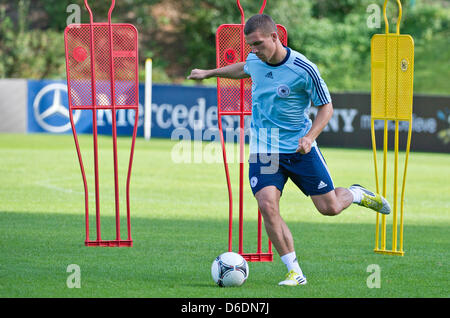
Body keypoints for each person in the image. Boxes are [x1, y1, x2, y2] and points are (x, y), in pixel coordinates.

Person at [187, 14, 391, 286]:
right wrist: (210, 73)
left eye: (258, 44)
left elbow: (326, 108)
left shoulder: (303, 69)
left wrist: (309, 137)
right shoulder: (256, 60)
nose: (254, 50)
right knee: (267, 205)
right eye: (250, 45)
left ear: (275, 37)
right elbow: (243, 68)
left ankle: (355, 194)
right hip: (264, 147)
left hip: (299, 148)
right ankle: (294, 271)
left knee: (329, 208)